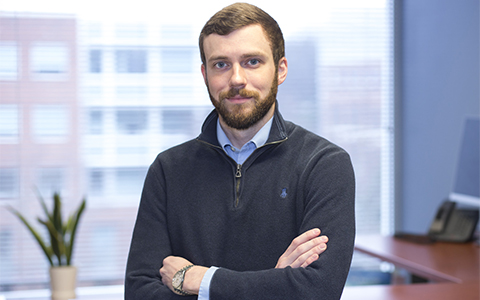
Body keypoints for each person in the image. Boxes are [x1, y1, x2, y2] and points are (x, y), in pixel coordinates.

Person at [125, 3, 355, 299]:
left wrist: (200, 280)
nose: (236, 79)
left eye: (252, 62)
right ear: (205, 74)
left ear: (280, 69)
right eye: (221, 64)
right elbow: (139, 292)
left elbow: (318, 291)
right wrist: (276, 282)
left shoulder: (324, 165)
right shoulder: (168, 170)